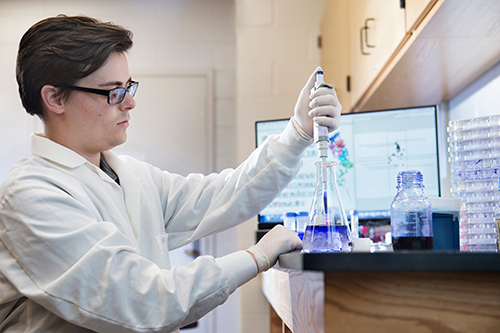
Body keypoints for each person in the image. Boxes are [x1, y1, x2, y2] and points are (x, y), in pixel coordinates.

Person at [0, 15, 341, 333]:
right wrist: (256, 257)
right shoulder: (31, 196)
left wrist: (297, 133)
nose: (129, 103)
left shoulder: (129, 175)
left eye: (128, 87)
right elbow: (142, 299)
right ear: (55, 98)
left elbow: (223, 195)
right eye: (112, 92)